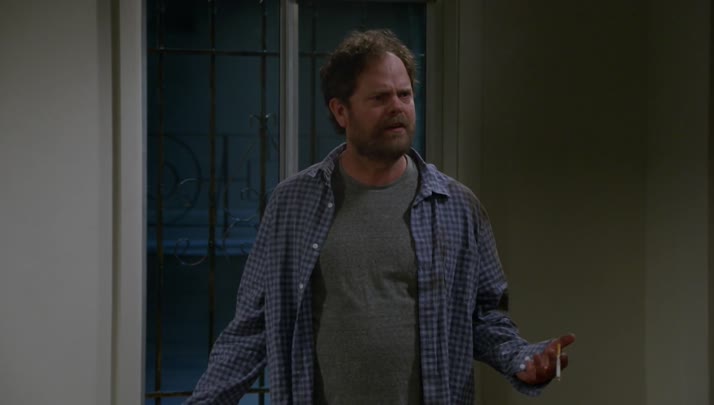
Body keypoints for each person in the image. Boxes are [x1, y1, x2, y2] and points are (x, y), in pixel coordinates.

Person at [187, 29, 575, 405]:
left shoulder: (456, 205)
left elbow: (485, 317)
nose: (397, 107)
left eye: (404, 94)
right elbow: (252, 327)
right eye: (379, 97)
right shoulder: (293, 203)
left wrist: (523, 359)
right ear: (341, 111)